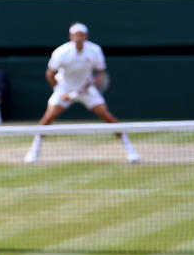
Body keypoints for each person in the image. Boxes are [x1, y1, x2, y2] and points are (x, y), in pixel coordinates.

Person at [24, 22, 138, 164]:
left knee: (107, 116)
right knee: (48, 117)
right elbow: (50, 73)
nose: (78, 38)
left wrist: (89, 85)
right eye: (76, 35)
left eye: (81, 35)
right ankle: (34, 150)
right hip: (64, 88)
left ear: (85, 36)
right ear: (71, 37)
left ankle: (130, 149)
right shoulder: (61, 52)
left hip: (87, 89)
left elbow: (100, 73)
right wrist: (59, 90)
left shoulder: (95, 50)